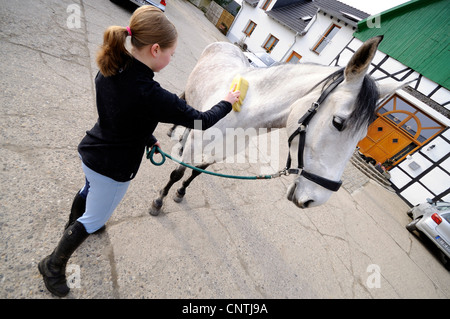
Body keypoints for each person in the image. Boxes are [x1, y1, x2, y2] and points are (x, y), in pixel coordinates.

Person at [38, 5, 240, 297]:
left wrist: (147, 137)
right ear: (156, 49)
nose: (172, 59)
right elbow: (202, 120)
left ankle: (75, 222)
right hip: (113, 168)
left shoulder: (113, 64)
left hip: (93, 152)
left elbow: (121, 112)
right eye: (172, 53)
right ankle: (53, 266)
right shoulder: (153, 95)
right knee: (94, 217)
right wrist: (227, 100)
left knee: (88, 189)